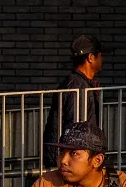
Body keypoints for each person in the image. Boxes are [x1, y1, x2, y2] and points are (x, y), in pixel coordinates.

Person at [42, 35, 105, 168]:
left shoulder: (78, 83)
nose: (102, 59)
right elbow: (76, 127)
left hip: (70, 158)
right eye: (100, 55)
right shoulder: (78, 86)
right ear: (91, 58)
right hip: (71, 161)